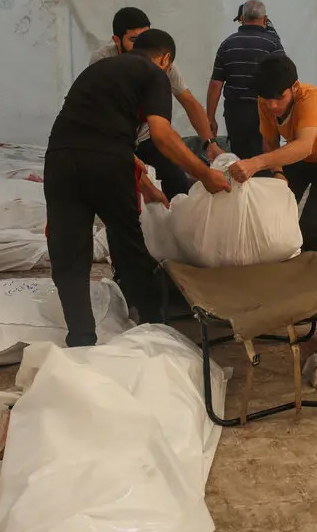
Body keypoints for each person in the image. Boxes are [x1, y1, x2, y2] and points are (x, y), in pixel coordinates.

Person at [46, 28, 230, 347]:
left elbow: (95, 129)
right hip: (106, 162)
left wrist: (144, 184)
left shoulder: (98, 70)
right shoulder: (154, 74)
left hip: (59, 159)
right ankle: (156, 327)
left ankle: (80, 337)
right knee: (127, 241)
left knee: (69, 249)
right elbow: (161, 134)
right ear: (165, 59)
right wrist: (203, 173)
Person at [228, 53, 317, 255]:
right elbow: (270, 141)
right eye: (267, 99)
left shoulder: (313, 100)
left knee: (311, 221)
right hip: (301, 157)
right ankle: (279, 255)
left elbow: (304, 146)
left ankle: (314, 261)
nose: (273, 106)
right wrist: (278, 172)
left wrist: (255, 163)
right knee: (278, 206)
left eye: (280, 98)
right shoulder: (265, 102)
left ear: (294, 87)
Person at [90, 7, 221, 199]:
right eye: (135, 40)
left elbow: (188, 103)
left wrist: (210, 143)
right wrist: (204, 173)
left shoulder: (162, 66)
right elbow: (159, 135)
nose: (143, 45)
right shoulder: (104, 63)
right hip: (109, 140)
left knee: (175, 182)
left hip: (144, 138)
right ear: (117, 40)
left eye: (147, 37)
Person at [207, 0, 285, 160]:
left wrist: (210, 117)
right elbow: (283, 78)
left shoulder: (227, 44)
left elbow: (216, 84)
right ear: (265, 19)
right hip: (266, 111)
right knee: (266, 159)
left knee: (240, 161)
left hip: (235, 113)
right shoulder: (273, 44)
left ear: (242, 18)